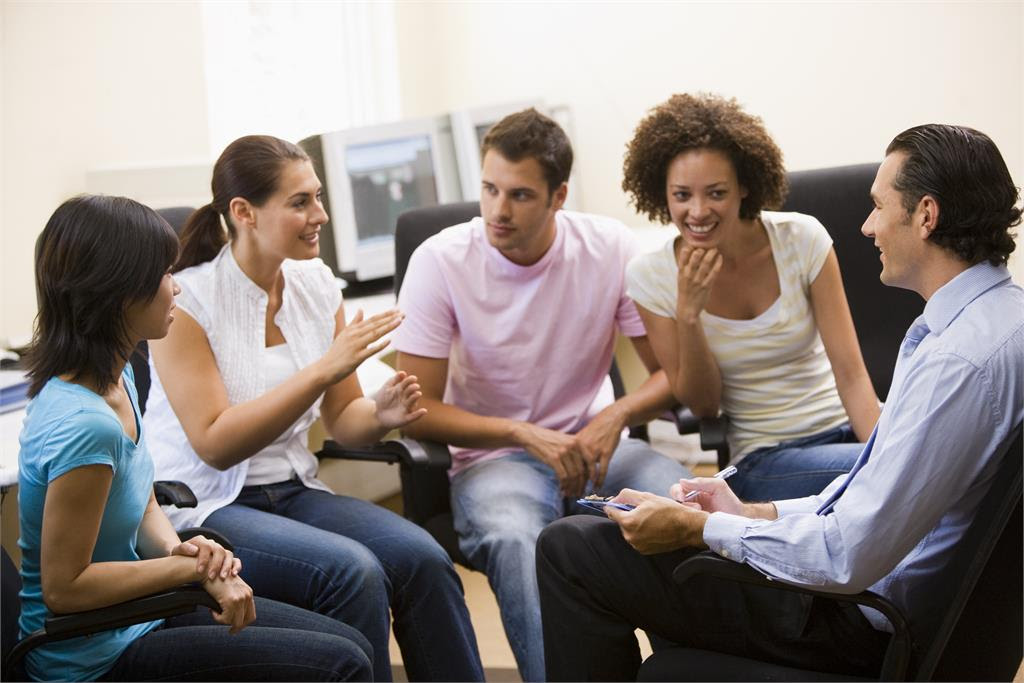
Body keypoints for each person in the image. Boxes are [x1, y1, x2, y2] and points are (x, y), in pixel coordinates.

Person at [537, 123, 1024, 681]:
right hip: (856, 584)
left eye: (878, 207)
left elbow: (848, 552)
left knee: (569, 549)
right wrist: (752, 512)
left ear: (926, 215)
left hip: (854, 620)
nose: (867, 226)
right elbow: (870, 493)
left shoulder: (957, 362)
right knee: (610, 553)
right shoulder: (999, 321)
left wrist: (701, 530)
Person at [143, 135, 483, 682]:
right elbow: (215, 442)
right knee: (356, 573)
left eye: (318, 197)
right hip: (208, 504)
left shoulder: (317, 285)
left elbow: (344, 417)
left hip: (293, 490)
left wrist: (382, 414)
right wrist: (322, 368)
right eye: (300, 202)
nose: (320, 215)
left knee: (422, 558)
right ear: (243, 212)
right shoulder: (188, 301)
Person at [17, 195, 373, 682]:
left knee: (351, 643)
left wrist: (182, 550)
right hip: (91, 659)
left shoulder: (115, 380)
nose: (177, 290)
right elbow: (66, 589)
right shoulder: (86, 424)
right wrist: (194, 571)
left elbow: (141, 503)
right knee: (343, 663)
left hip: (134, 618)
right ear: (121, 294)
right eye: (165, 275)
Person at [392, 108, 692, 681]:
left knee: (679, 504)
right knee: (516, 541)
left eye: (520, 195)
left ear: (559, 196)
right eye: (489, 189)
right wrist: (521, 432)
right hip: (496, 458)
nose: (498, 211)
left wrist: (617, 415)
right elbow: (418, 409)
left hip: (596, 445)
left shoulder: (608, 247)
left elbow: (668, 376)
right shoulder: (440, 260)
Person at [622, 93, 880, 501]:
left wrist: (884, 452)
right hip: (765, 459)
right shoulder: (650, 275)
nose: (698, 211)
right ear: (662, 193)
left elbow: (852, 375)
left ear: (744, 186)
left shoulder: (802, 239)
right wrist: (689, 314)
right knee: (890, 473)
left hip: (845, 430)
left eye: (716, 193)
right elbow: (703, 406)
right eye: (682, 195)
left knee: (926, 459)